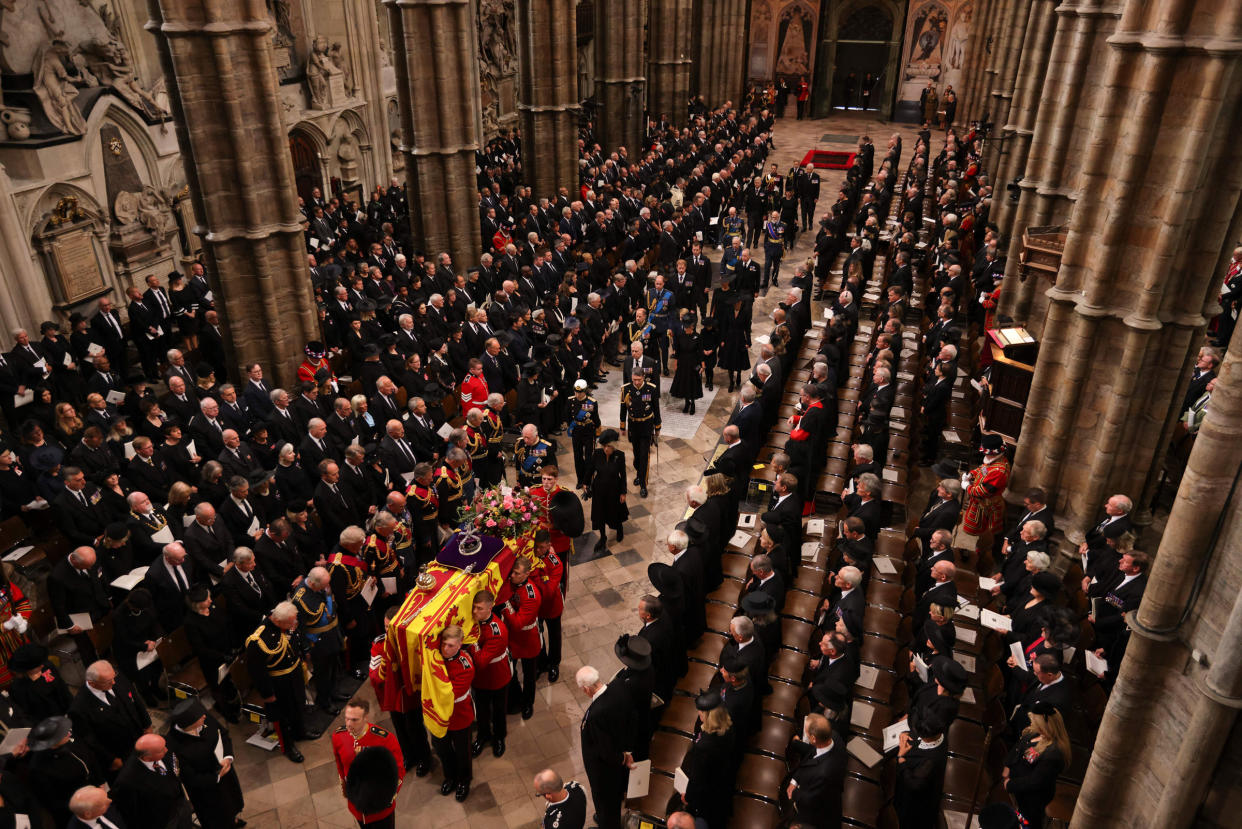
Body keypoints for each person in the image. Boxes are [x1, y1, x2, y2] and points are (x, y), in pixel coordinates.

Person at [163, 698, 245, 829]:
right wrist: (216, 777)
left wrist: (228, 757)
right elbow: (188, 777)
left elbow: (223, 734)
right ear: (189, 723)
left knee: (232, 802)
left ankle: (233, 819)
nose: (205, 717)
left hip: (225, 772)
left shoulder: (204, 718)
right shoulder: (173, 745)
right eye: (200, 717)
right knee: (217, 817)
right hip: (206, 789)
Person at [244, 601, 308, 762]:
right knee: (283, 717)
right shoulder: (258, 640)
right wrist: (268, 694)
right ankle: (288, 747)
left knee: (299, 704)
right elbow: (257, 672)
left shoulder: (286, 623)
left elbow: (295, 641)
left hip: (294, 675)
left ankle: (301, 732)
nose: (294, 624)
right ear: (278, 622)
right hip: (278, 683)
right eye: (290, 622)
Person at [68, 660, 152, 779]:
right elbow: (89, 739)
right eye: (108, 681)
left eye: (114, 677)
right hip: (118, 752)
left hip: (138, 736)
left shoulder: (116, 677)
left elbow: (136, 699)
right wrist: (111, 760)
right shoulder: (79, 708)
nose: (114, 682)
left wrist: (147, 725)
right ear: (92, 683)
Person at [576, 665, 636, 829]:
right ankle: (606, 817)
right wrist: (627, 750)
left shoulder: (596, 714)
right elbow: (631, 718)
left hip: (603, 770)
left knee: (604, 800)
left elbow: (605, 751)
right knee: (612, 798)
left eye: (582, 689)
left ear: (587, 689)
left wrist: (622, 757)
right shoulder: (618, 686)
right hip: (619, 749)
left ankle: (608, 823)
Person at [332, 697, 405, 827]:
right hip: (356, 804)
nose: (348, 724)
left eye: (354, 720)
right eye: (347, 718)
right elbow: (340, 764)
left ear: (366, 718)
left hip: (380, 807)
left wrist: (387, 797)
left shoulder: (385, 740)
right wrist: (345, 786)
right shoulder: (338, 736)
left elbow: (398, 771)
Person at [1004, 703, 1070, 827]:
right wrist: (1007, 767)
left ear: (1044, 725)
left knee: (1025, 824)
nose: (1032, 723)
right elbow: (1017, 748)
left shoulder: (1054, 753)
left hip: (1031, 800)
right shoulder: (1034, 733)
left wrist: (1010, 784)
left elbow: (1035, 781)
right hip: (1018, 791)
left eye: (1035, 721)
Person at [678, 689, 736, 828]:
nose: (699, 714)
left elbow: (698, 779)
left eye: (701, 712)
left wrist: (689, 796)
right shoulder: (728, 727)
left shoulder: (704, 747)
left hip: (708, 794)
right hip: (723, 783)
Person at [111, 733, 195, 829]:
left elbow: (175, 768)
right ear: (147, 757)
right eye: (161, 750)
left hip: (180, 805)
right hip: (162, 821)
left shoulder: (162, 744)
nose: (166, 750)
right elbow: (132, 813)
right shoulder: (127, 781)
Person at [432, 625, 474, 801]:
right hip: (439, 715)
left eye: (450, 645)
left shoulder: (465, 665)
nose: (445, 649)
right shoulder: (437, 657)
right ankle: (450, 776)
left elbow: (450, 694)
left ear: (459, 644)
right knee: (441, 746)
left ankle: (464, 780)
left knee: (462, 751)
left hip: (458, 715)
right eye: (443, 644)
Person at [468, 589, 511, 758]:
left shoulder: (497, 631)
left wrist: (471, 643)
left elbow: (481, 661)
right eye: (474, 608)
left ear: (490, 608)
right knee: (482, 708)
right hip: (480, 678)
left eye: (479, 608)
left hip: (496, 676)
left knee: (499, 710)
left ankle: (499, 738)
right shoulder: (475, 621)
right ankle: (483, 735)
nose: (475, 612)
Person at [785, 713, 846, 828]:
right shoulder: (833, 737)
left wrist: (794, 792)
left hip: (817, 814)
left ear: (813, 739)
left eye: (806, 732)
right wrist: (794, 780)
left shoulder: (823, 774)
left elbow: (810, 799)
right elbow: (812, 755)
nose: (805, 734)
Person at [502, 556, 542, 719]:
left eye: (517, 573)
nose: (512, 576)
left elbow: (518, 623)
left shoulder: (531, 595)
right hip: (512, 639)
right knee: (511, 672)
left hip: (527, 640)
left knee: (529, 675)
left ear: (527, 574)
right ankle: (515, 699)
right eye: (512, 572)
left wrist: (506, 605)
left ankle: (528, 703)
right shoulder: (511, 583)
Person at [894, 715, 949, 829]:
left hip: (916, 802)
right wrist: (905, 734)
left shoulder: (930, 762)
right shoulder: (937, 730)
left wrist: (901, 757)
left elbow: (913, 785)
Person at [586, 428, 627, 552]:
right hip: (599, 489)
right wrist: (585, 483)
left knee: (615, 512)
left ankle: (619, 529)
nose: (606, 449)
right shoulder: (597, 454)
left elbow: (623, 475)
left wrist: (623, 492)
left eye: (608, 446)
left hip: (614, 489)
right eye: (604, 446)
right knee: (600, 514)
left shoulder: (620, 455)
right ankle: (603, 537)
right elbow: (590, 470)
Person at [620, 371, 660, 498]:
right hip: (633, 426)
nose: (636, 382)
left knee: (644, 455)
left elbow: (656, 408)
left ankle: (643, 484)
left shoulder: (651, 389)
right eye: (634, 379)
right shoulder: (626, 389)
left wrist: (657, 426)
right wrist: (622, 426)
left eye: (638, 379)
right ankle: (639, 474)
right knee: (636, 455)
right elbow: (623, 408)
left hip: (646, 426)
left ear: (643, 377)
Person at [566, 379, 601, 484]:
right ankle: (580, 480)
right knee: (578, 457)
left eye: (580, 392)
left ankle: (587, 480)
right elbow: (567, 416)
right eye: (575, 392)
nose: (577, 394)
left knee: (589, 457)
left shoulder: (592, 402)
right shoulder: (570, 401)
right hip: (576, 432)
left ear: (585, 391)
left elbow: (596, 418)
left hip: (588, 432)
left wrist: (598, 432)